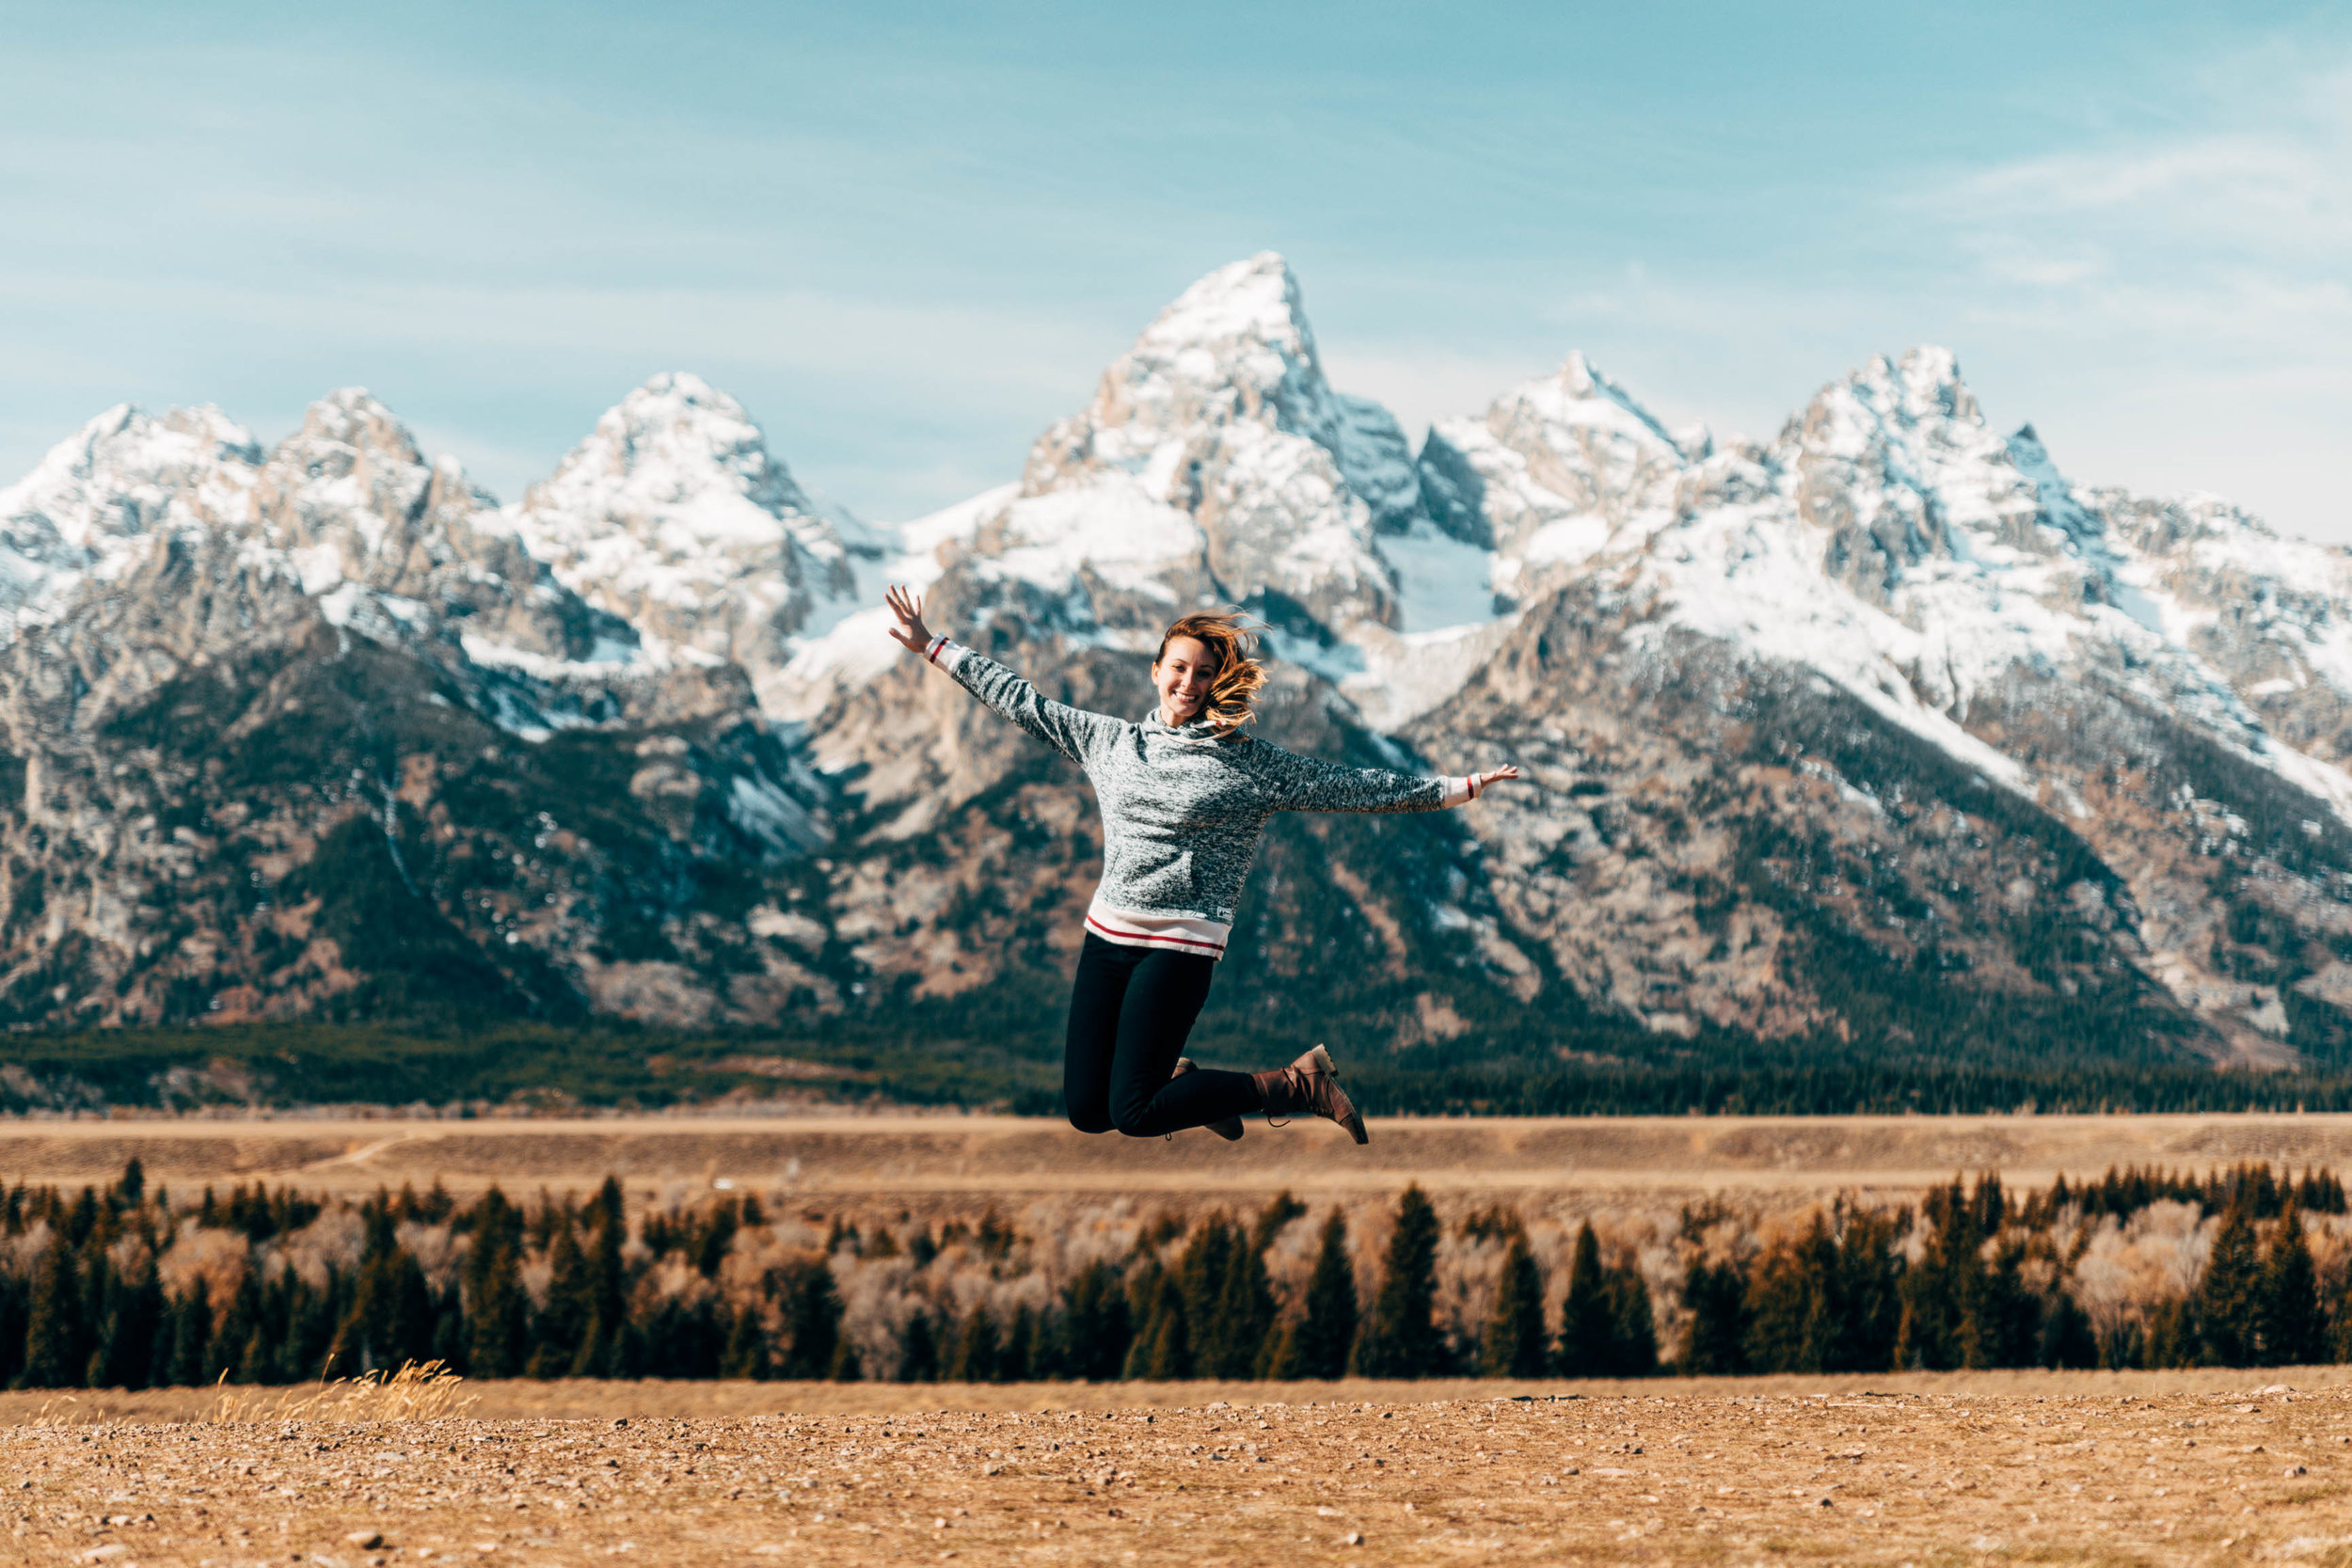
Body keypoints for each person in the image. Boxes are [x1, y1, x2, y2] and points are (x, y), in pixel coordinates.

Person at [883, 585, 1519, 1146]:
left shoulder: (1249, 763)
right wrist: (931, 646)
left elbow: (1349, 785)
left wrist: (1454, 788)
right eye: (1179, 668)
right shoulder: (1109, 742)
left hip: (1182, 943)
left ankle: (1298, 1084)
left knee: (1133, 1112)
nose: (1189, 683)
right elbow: (1023, 700)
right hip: (1107, 937)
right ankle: (1186, 1084)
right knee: (1087, 1111)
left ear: (1220, 681)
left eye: (1204, 672)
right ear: (1156, 670)